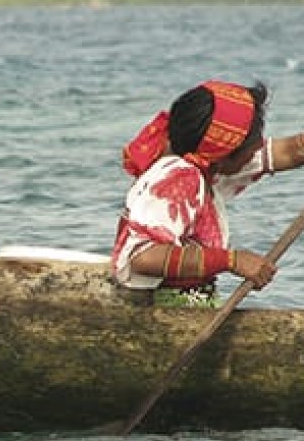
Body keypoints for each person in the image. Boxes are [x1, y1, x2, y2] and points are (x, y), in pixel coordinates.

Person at [112, 79, 304, 307]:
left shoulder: (208, 166)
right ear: (225, 153)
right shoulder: (180, 178)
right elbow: (143, 257)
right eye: (253, 143)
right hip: (165, 310)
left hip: (192, 308)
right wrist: (231, 261)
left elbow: (291, 152)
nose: (257, 148)